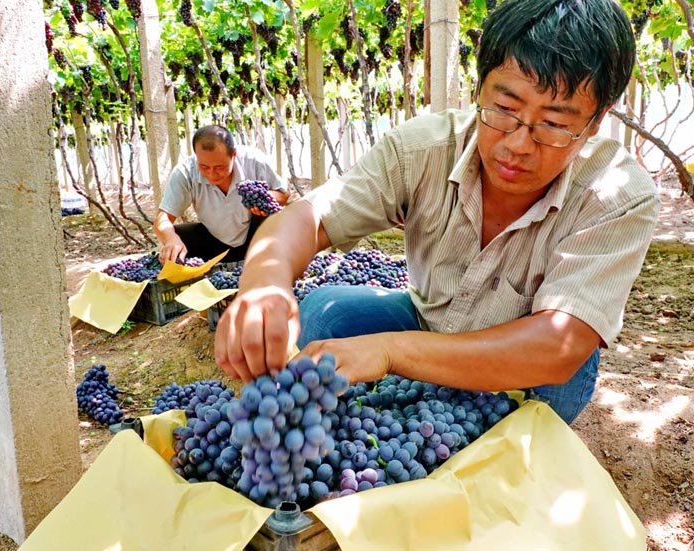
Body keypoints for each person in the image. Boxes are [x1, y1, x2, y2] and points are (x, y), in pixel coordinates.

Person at [213, 0, 660, 424]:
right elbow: (307, 217)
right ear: (479, 87)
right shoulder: (421, 150)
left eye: (555, 125)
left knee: (546, 395)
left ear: (596, 121)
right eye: (504, 109)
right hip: (430, 323)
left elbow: (558, 348)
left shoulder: (616, 194)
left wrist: (391, 352)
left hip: (530, 357)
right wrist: (263, 284)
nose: (518, 144)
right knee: (325, 316)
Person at [153, 125, 289, 263]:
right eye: (204, 167)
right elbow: (162, 219)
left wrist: (265, 198)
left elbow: (284, 195)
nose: (211, 174)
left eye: (220, 167)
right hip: (213, 241)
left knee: (278, 218)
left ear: (234, 155)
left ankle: (272, 258)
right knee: (174, 236)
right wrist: (171, 239)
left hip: (255, 237)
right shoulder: (185, 172)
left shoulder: (254, 162)